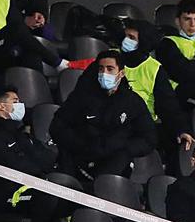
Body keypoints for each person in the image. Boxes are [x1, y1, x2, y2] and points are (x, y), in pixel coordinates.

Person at [49, 50, 156, 180]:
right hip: (78, 157)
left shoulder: (133, 102)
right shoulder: (82, 96)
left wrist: (122, 147)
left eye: (110, 69)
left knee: (122, 159)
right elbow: (57, 126)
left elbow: (148, 138)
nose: (104, 73)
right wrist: (81, 145)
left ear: (121, 73)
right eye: (101, 69)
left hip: (112, 162)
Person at [0, 89, 61, 222]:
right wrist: (39, 172)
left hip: (33, 187)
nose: (20, 105)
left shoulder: (21, 134)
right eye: (15, 101)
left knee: (70, 192)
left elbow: (47, 158)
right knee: (47, 195)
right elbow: (11, 164)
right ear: (1, 107)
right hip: (9, 194)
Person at [98, 18, 195, 153]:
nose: (126, 41)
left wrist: (181, 129)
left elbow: (169, 106)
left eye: (131, 38)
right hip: (110, 120)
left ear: (143, 42)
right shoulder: (112, 58)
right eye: (125, 36)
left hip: (143, 126)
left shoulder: (154, 69)